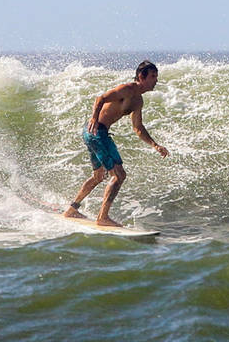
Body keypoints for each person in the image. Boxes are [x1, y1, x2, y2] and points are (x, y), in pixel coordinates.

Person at [63, 60, 169, 227]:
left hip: (98, 134)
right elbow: (101, 98)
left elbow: (138, 128)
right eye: (153, 76)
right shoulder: (126, 90)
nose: (156, 80)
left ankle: (72, 209)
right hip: (97, 132)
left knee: (99, 176)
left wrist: (155, 145)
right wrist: (94, 118)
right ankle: (102, 217)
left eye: (156, 76)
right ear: (141, 76)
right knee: (119, 175)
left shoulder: (138, 101)